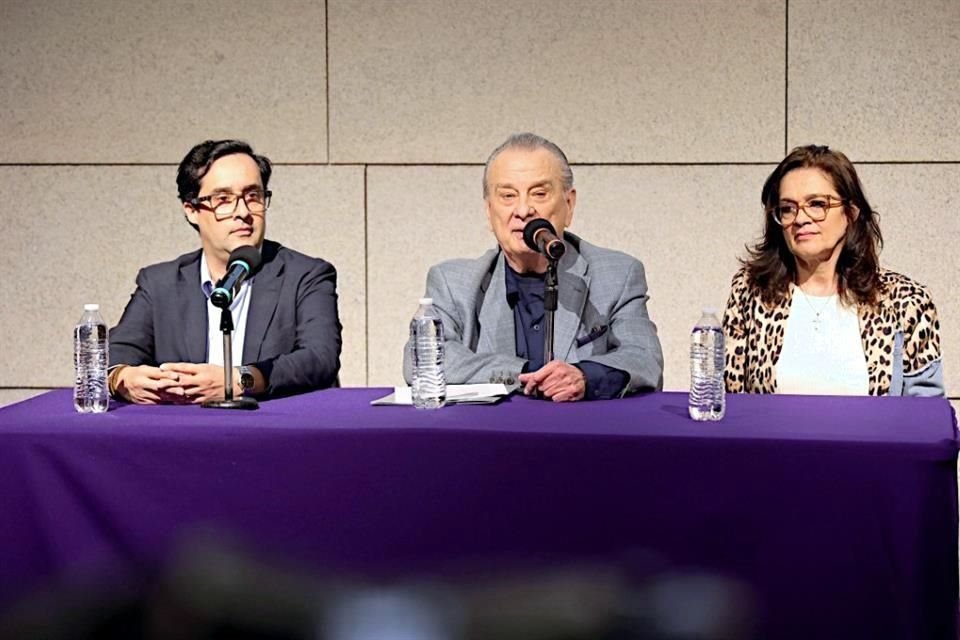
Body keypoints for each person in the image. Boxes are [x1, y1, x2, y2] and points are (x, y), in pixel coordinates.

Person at [404, 133, 664, 401]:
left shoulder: (617, 274)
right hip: (491, 436)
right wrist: (525, 374)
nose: (524, 210)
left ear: (569, 204)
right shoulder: (453, 282)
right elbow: (421, 363)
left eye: (539, 193)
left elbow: (644, 358)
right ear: (489, 210)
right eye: (508, 195)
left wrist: (584, 377)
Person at [109, 139, 342, 403]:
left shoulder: (306, 275)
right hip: (183, 433)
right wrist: (123, 378)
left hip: (273, 433)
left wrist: (242, 379)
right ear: (192, 210)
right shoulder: (159, 283)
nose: (242, 212)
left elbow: (320, 358)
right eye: (224, 199)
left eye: (253, 196)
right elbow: (116, 354)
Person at [723, 144, 943, 396]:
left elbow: (926, 418)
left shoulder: (906, 301)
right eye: (787, 208)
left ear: (850, 212)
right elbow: (729, 404)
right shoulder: (751, 291)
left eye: (817, 204)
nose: (801, 218)